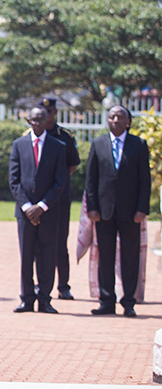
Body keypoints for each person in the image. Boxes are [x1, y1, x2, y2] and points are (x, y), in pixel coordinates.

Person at [85, 105, 150, 317]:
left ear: (128, 122)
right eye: (111, 116)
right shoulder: (98, 144)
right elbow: (91, 180)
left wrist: (142, 209)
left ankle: (129, 302)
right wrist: (92, 207)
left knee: (130, 258)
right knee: (105, 256)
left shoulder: (138, 145)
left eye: (120, 117)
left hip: (131, 212)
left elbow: (144, 181)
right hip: (103, 212)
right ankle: (106, 300)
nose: (115, 120)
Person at [9, 106, 67, 314]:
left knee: (48, 256)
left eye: (41, 119)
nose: (38, 123)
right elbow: (14, 181)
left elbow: (60, 182)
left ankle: (44, 299)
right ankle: (26, 299)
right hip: (25, 213)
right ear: (28, 121)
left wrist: (41, 207)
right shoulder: (19, 145)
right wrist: (27, 208)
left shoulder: (58, 146)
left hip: (48, 211)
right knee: (26, 257)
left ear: (48, 120)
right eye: (34, 120)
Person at [35, 98, 80, 300]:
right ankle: (40, 284)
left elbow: (72, 165)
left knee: (60, 243)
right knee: (38, 244)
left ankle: (63, 285)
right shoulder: (31, 136)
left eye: (50, 111)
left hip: (59, 198)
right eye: (44, 111)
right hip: (38, 200)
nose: (47, 115)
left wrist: (56, 182)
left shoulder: (65, 137)